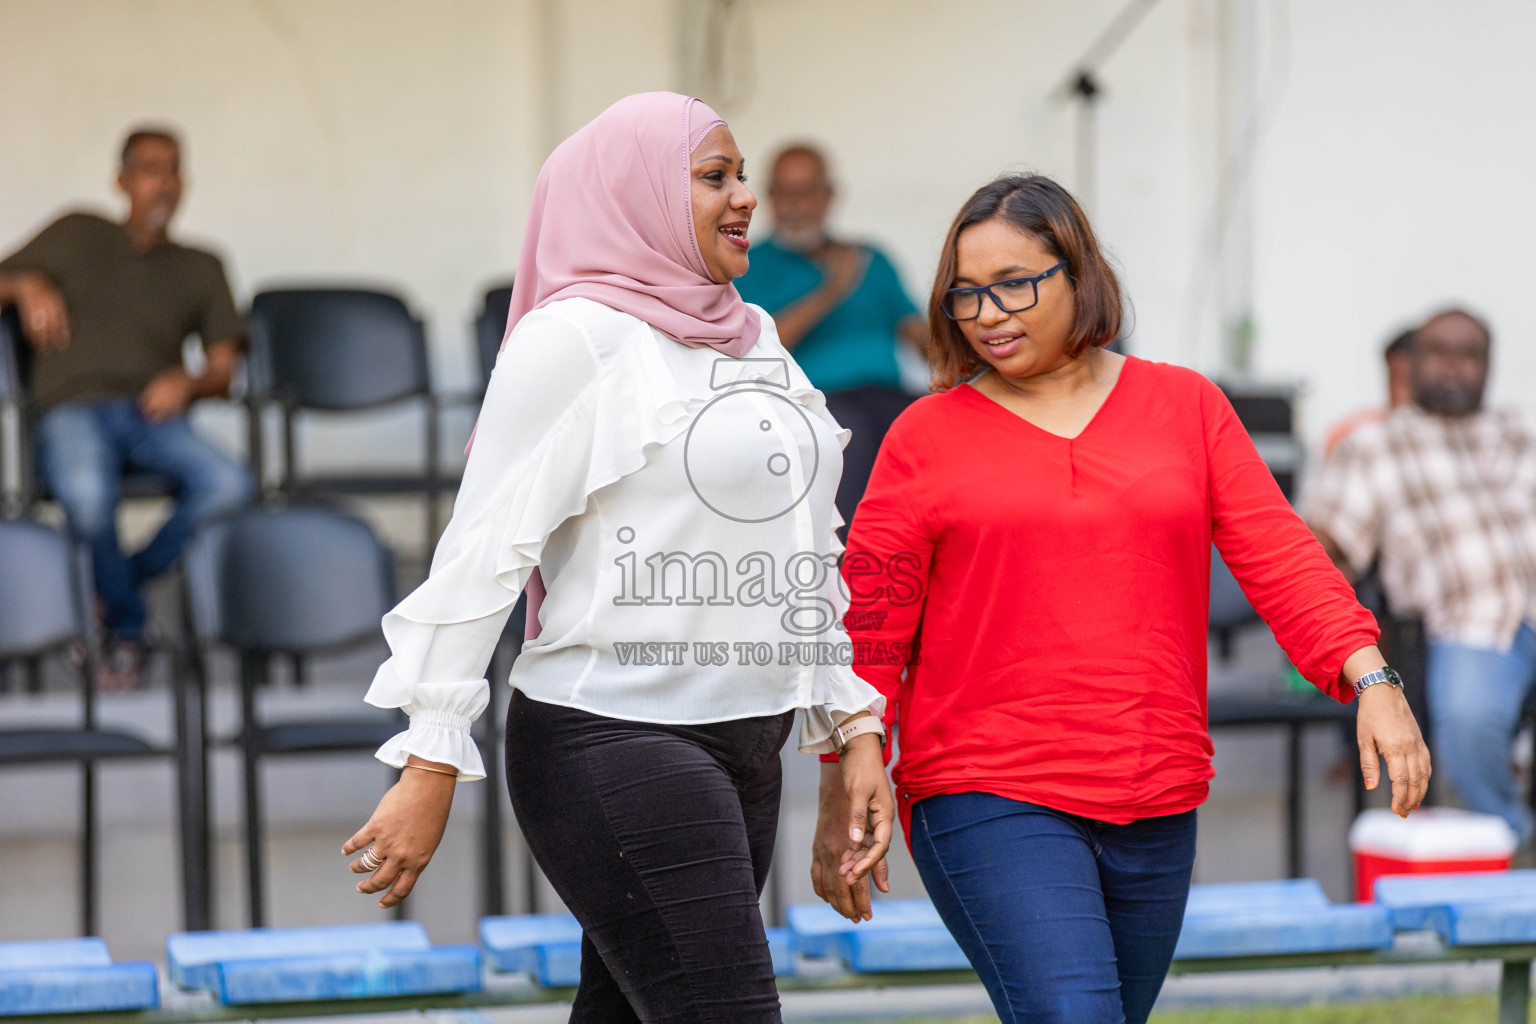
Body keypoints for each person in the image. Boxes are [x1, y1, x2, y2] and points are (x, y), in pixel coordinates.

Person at [812, 173, 1431, 1024]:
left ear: (1079, 275)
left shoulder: (1186, 407)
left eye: (1015, 285)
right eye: (966, 295)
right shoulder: (927, 434)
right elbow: (873, 616)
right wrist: (849, 764)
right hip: (985, 788)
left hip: (1156, 787)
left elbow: (1281, 556)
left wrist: (1372, 680)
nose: (989, 314)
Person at [341, 93, 894, 1024]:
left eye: (740, 174)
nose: (744, 198)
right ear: (635, 193)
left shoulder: (756, 338)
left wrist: (849, 736)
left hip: (747, 741)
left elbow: (808, 549)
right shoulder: (575, 340)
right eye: (714, 177)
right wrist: (431, 755)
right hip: (614, 736)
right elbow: (482, 553)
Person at [0, 127, 254, 688]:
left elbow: (223, 368)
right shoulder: (75, 233)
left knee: (232, 484)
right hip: (70, 410)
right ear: (121, 181)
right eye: (148, 170)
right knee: (89, 492)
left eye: (172, 171)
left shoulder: (201, 265)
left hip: (151, 415)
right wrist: (23, 285)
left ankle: (112, 587)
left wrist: (188, 383)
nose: (162, 184)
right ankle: (127, 630)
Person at [1307, 308, 1536, 844]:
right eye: (1440, 353)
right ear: (1412, 362)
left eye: (1469, 355)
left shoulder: (1522, 431)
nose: (1454, 367)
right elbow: (1323, 547)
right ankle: (1508, 838)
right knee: (1469, 714)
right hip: (1468, 624)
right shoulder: (1374, 445)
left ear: (1489, 366)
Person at [734, 144, 927, 529]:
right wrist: (832, 289)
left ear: (829, 195)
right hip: (815, 403)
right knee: (847, 441)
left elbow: (921, 338)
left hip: (891, 399)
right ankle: (849, 570)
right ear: (766, 198)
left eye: (806, 192)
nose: (796, 206)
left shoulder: (870, 257)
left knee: (936, 429)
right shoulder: (748, 262)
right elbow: (755, 349)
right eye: (785, 194)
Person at [1321, 327, 1416, 457]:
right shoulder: (1350, 434)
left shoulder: (1449, 434)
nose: (1400, 394)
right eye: (1393, 379)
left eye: (1409, 382)